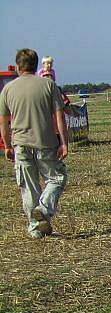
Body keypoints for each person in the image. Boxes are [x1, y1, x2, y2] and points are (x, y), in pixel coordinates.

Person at [0, 49, 68, 239]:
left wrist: (7, 145)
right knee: (57, 178)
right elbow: (59, 116)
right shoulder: (48, 85)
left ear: (19, 65)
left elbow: (4, 121)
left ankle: (35, 228)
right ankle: (44, 210)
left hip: (20, 144)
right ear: (36, 64)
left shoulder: (8, 89)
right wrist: (64, 141)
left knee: (29, 188)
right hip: (45, 142)